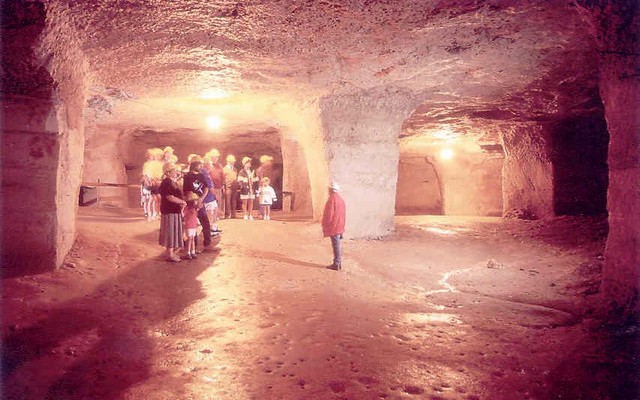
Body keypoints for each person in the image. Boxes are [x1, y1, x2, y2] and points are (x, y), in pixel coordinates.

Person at [182, 156, 214, 251]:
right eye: (199, 164)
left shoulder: (201, 175)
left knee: (205, 222)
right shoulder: (188, 176)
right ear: (194, 164)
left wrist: (201, 199)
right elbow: (187, 191)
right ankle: (193, 246)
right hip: (191, 203)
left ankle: (207, 244)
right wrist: (194, 200)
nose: (201, 166)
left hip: (200, 201)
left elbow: (206, 188)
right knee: (192, 223)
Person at [158, 162, 187, 262]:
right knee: (170, 231)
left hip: (174, 211)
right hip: (169, 210)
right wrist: (182, 201)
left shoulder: (172, 181)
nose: (176, 172)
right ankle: (170, 254)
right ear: (169, 172)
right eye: (174, 170)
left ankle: (171, 253)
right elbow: (170, 197)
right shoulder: (166, 182)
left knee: (173, 231)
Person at [322, 181, 346, 271]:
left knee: (336, 245)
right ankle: (338, 263)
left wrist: (325, 225)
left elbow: (329, 215)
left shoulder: (331, 199)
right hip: (340, 225)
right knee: (337, 245)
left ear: (331, 190)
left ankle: (337, 264)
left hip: (334, 226)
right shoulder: (341, 199)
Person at [204, 149, 224, 232]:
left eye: (216, 157)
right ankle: (207, 226)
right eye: (214, 156)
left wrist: (223, 186)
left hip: (218, 188)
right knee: (210, 209)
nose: (215, 158)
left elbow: (222, 176)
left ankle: (214, 226)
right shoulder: (207, 165)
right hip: (210, 189)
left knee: (216, 207)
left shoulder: (219, 166)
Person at [182, 191, 201, 260]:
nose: (196, 201)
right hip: (189, 225)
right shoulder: (187, 208)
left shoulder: (194, 208)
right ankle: (188, 252)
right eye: (195, 200)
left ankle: (192, 252)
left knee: (192, 238)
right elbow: (183, 215)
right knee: (190, 239)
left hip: (193, 225)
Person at [223, 154, 238, 219]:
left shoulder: (235, 169)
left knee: (234, 201)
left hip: (234, 188)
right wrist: (223, 187)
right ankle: (227, 214)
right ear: (228, 161)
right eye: (231, 161)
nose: (233, 162)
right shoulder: (224, 169)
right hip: (228, 187)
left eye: (233, 161)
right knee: (227, 202)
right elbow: (223, 179)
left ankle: (233, 214)